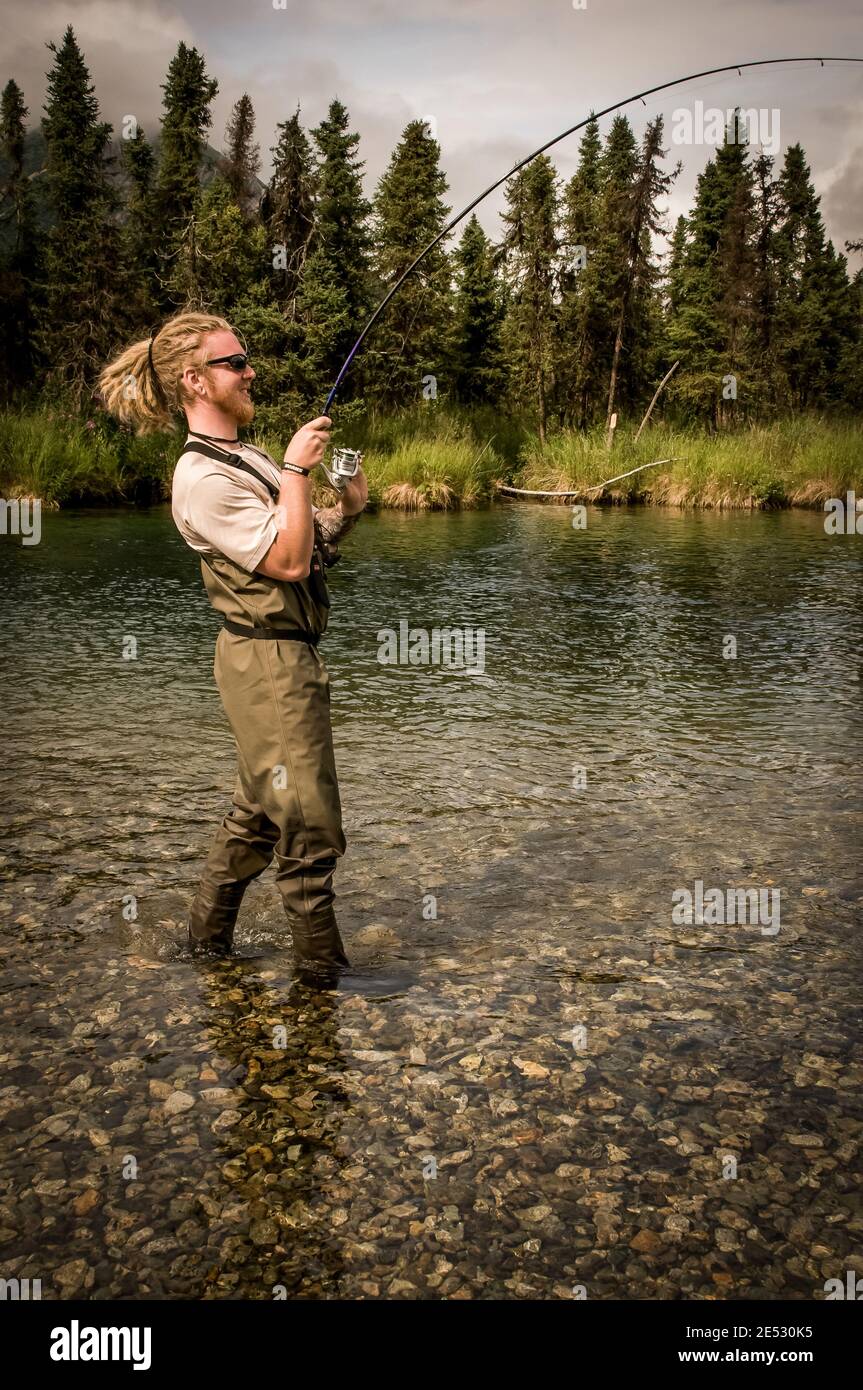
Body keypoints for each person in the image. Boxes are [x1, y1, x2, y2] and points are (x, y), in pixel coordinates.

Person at [99, 312, 367, 978]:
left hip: (278, 655)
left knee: (260, 813)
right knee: (306, 822)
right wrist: (297, 472)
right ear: (194, 380)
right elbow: (283, 564)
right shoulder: (203, 479)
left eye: (246, 360)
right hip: (268, 660)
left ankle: (205, 947)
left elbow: (305, 541)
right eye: (235, 363)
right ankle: (322, 985)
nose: (250, 372)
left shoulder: (240, 456)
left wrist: (348, 506)